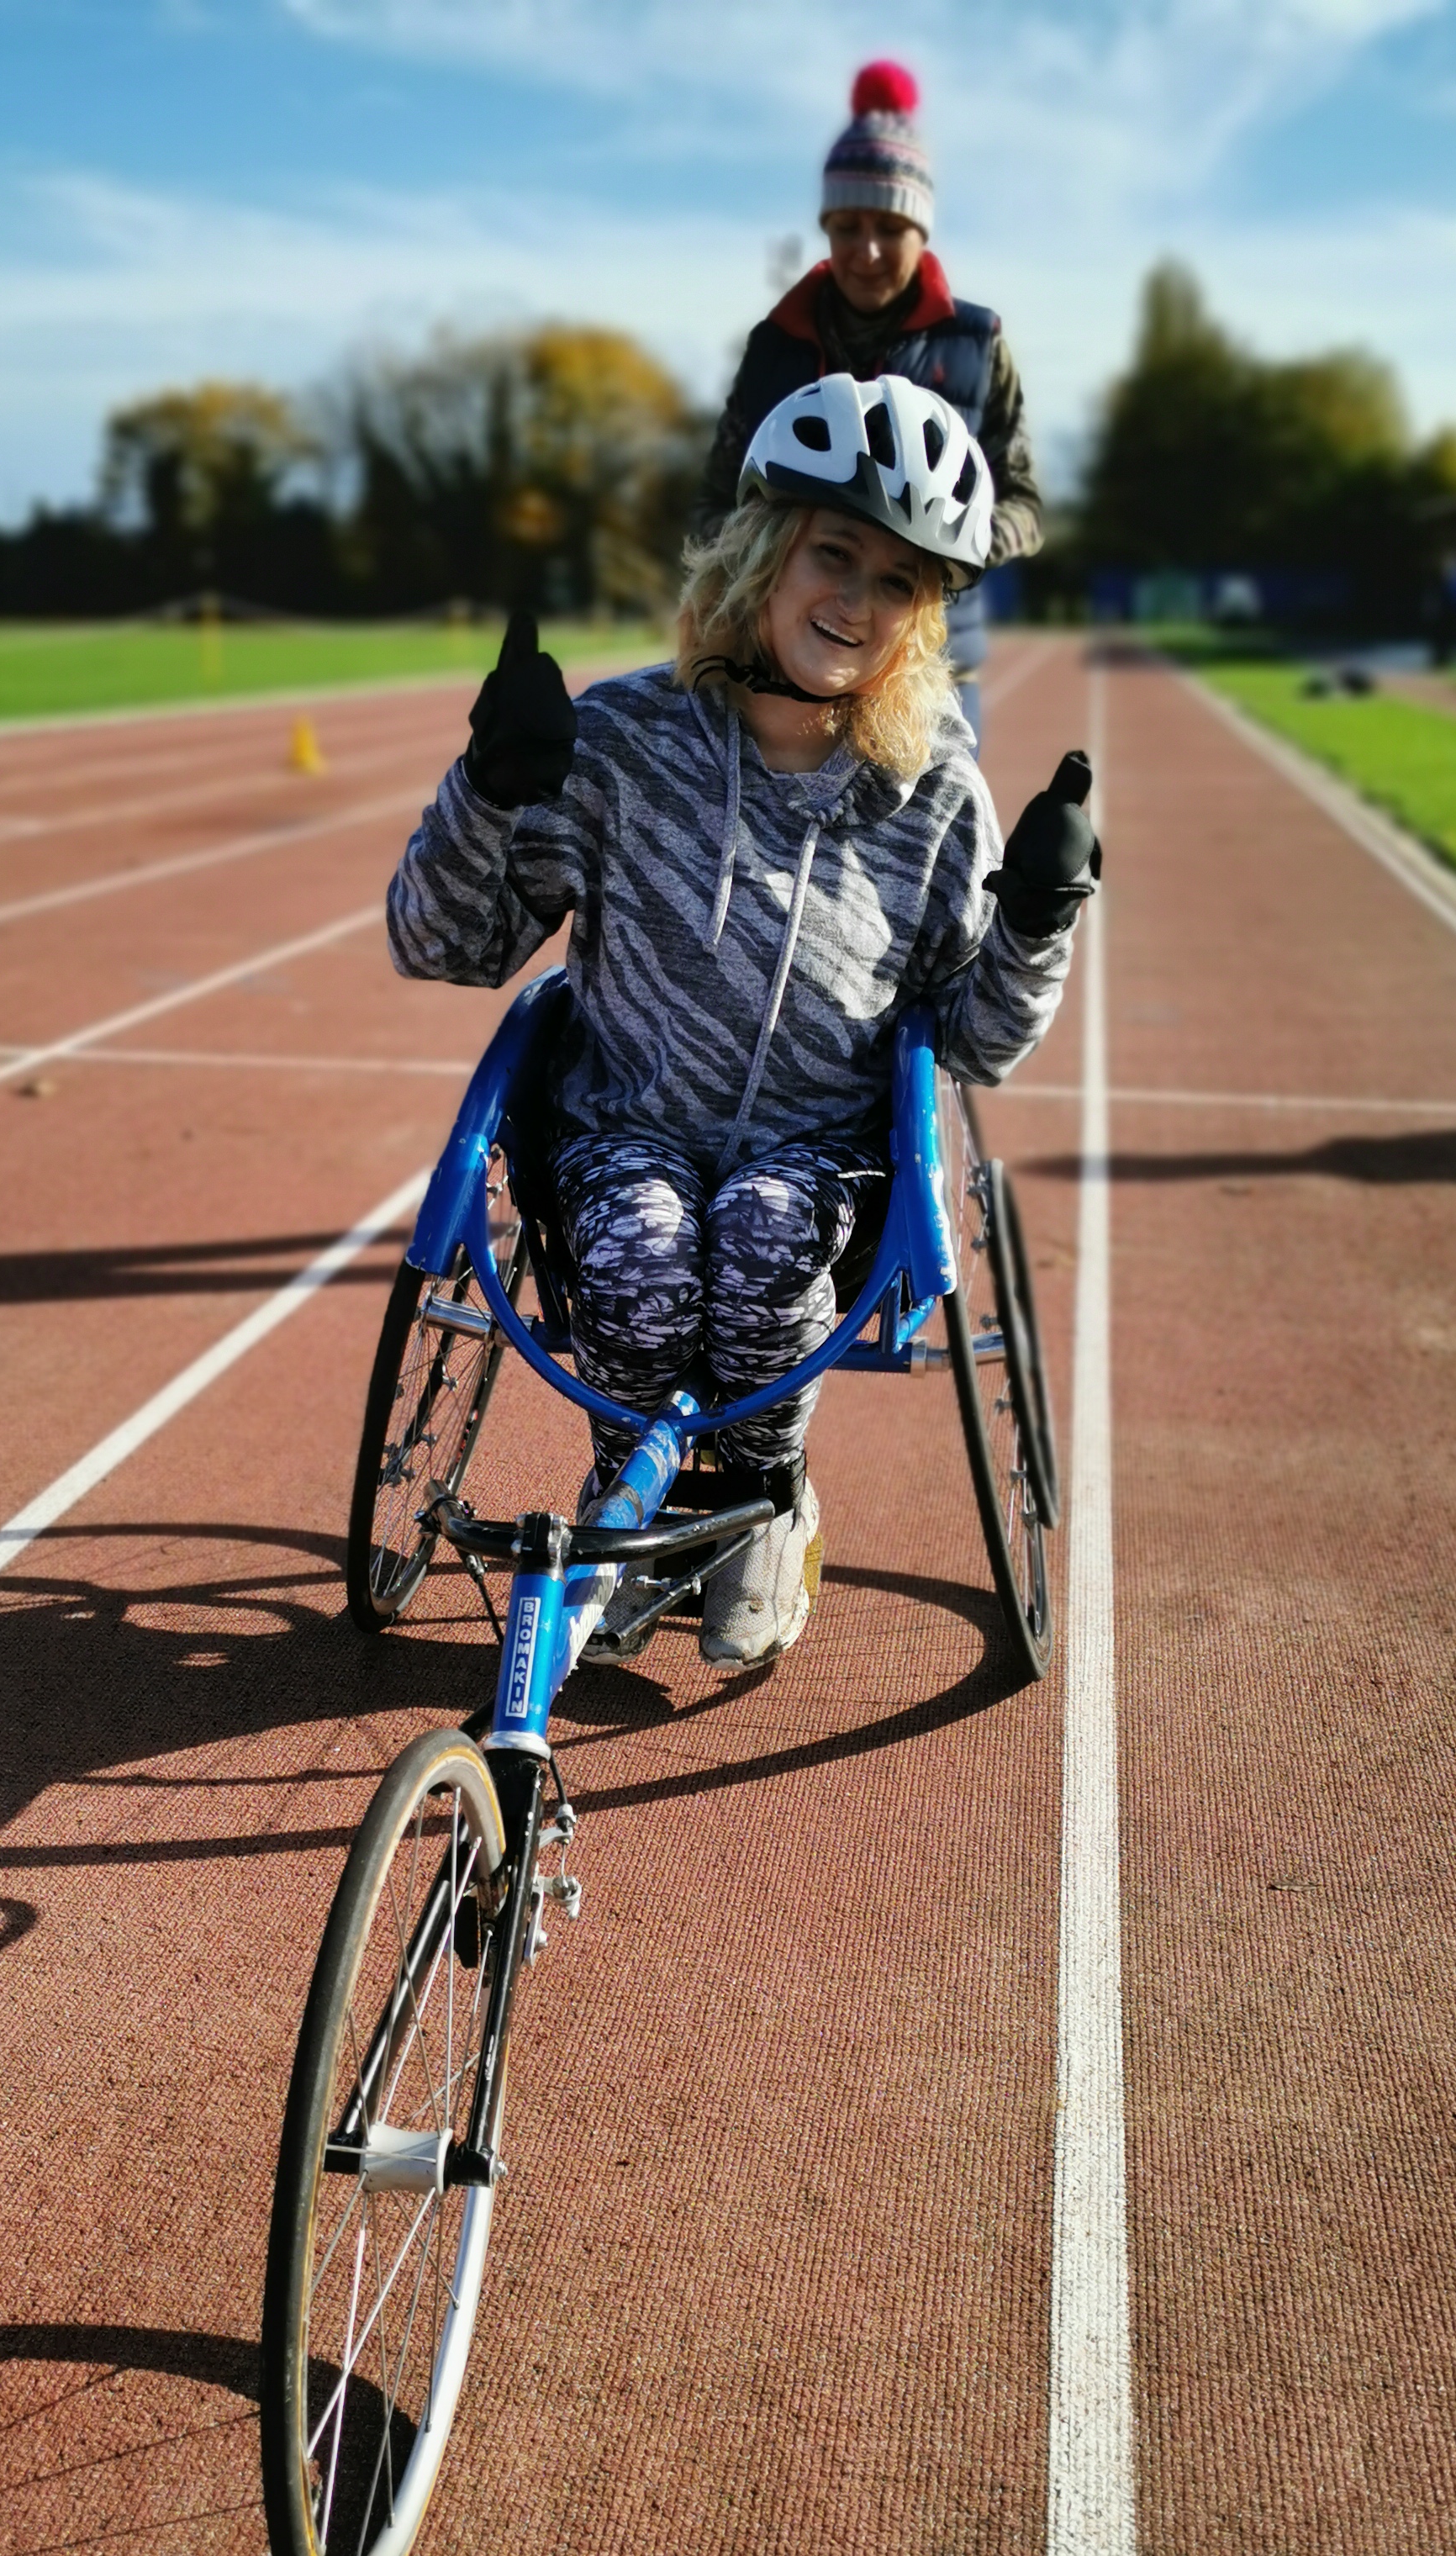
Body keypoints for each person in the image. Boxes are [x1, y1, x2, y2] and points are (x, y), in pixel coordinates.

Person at [385, 374, 1097, 1674]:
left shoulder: (932, 787)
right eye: (834, 553)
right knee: (646, 1247)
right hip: (622, 1129)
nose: (855, 601)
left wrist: (1040, 918)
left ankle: (763, 1498)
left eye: (897, 583)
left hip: (823, 1150)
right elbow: (444, 941)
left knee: (767, 1235)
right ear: (765, 546)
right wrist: (484, 791)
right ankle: (634, 1487)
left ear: (923, 619)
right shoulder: (621, 739)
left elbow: (980, 1040)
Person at [689, 60, 1042, 742]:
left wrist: (950, 545)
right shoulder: (775, 346)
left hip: (927, 672)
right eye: (847, 226)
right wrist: (757, 567)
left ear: (922, 230)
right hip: (776, 672)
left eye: (889, 226)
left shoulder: (979, 344)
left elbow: (1024, 502)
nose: (868, 250)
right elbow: (715, 503)